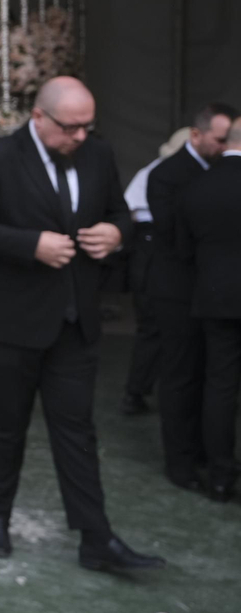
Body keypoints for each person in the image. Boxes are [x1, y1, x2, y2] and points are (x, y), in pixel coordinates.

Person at [0, 76, 162, 571]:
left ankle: (96, 537)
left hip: (74, 318)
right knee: (5, 426)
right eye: (71, 128)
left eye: (88, 126)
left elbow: (119, 214)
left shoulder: (97, 154)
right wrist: (31, 244)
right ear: (39, 117)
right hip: (9, 319)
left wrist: (117, 232)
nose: (81, 136)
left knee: (77, 429)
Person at [147, 102, 235, 491]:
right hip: (178, 294)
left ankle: (205, 452)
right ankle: (179, 462)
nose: (224, 146)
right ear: (196, 135)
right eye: (219, 139)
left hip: (210, 293)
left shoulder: (213, 174)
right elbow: (174, 242)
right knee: (180, 377)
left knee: (209, 378)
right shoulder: (166, 175)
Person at [176, 120, 241, 501]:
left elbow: (184, 251)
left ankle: (219, 474)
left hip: (214, 298)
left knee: (220, 385)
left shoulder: (196, 186)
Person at [119, 128, 193, 415]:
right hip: (150, 253)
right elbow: (132, 212)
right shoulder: (157, 173)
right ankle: (136, 391)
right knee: (152, 327)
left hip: (156, 253)